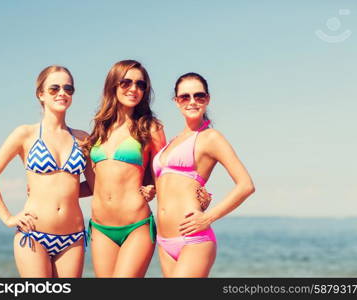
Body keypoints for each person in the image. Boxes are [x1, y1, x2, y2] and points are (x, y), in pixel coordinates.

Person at [0, 65, 94, 278]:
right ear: (40, 94)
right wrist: (7, 217)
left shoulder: (83, 138)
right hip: (34, 234)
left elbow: (95, 186)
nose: (62, 93)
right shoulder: (25, 134)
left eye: (68, 89)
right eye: (54, 88)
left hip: (73, 237)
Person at [152, 72, 255, 277]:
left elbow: (246, 185)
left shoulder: (211, 137)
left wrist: (208, 217)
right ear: (176, 101)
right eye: (185, 97)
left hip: (193, 240)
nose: (192, 101)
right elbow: (172, 185)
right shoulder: (173, 141)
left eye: (199, 96)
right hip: (163, 242)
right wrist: (150, 190)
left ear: (207, 99)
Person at [82, 59, 166, 277]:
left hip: (136, 226)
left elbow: (164, 177)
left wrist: (155, 189)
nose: (134, 89)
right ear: (113, 85)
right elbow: (94, 184)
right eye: (126, 82)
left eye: (140, 84)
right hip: (100, 228)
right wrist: (51, 191)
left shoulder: (151, 127)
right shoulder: (100, 129)